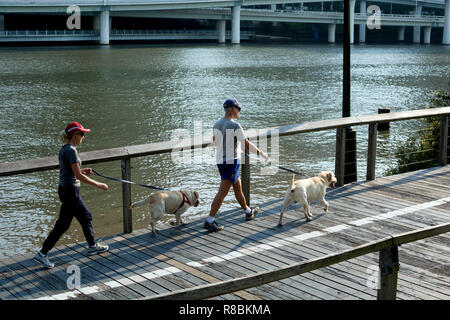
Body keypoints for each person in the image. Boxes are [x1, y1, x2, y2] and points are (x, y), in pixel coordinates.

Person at [34, 122, 109, 269]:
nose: (83, 137)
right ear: (75, 135)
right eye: (82, 134)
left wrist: (83, 170)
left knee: (74, 220)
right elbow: (77, 176)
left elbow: (72, 171)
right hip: (70, 192)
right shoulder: (71, 151)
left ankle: (92, 245)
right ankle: (42, 254)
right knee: (74, 220)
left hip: (66, 190)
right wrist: (98, 184)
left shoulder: (66, 149)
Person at [204, 99, 269, 232]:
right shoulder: (235, 125)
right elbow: (246, 144)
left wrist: (231, 146)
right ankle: (209, 220)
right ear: (233, 109)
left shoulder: (217, 124)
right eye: (238, 109)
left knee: (238, 187)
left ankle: (248, 211)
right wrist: (261, 154)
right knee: (222, 193)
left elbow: (215, 142)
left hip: (221, 161)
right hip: (231, 162)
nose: (239, 111)